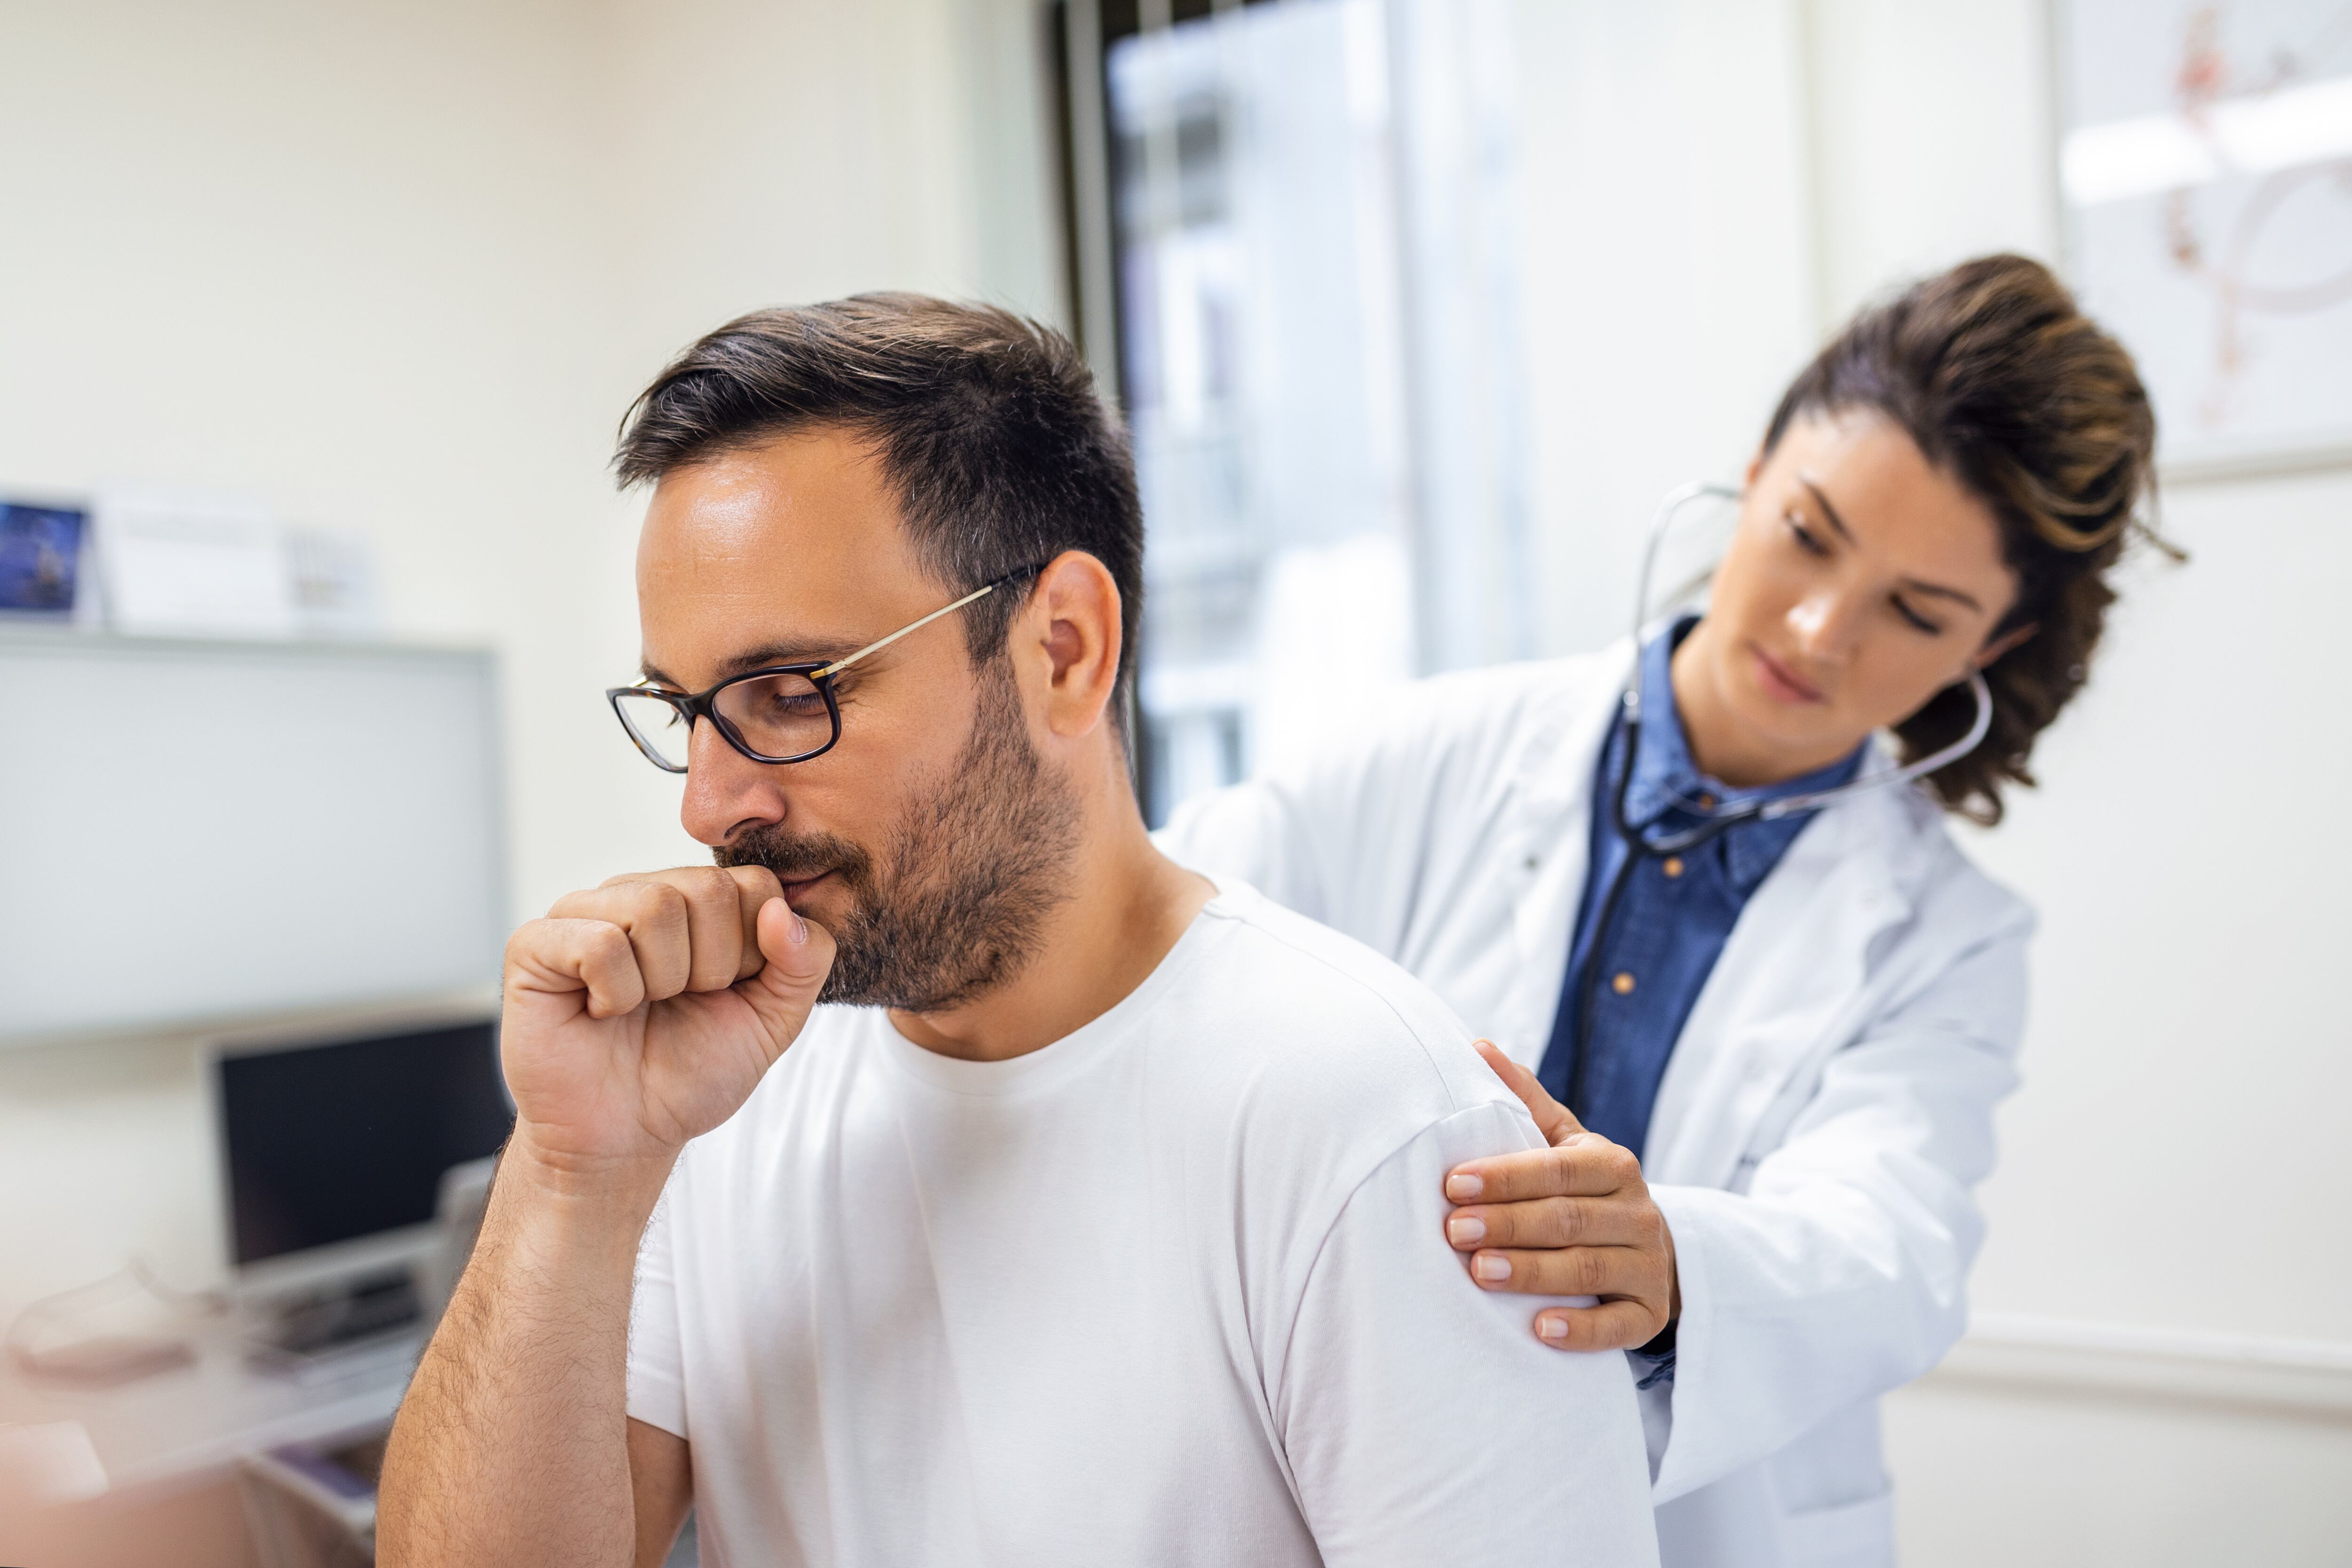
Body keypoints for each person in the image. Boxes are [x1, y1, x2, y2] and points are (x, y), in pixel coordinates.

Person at [375, 296, 1658, 1568]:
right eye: (689, 710)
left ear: (1062, 650)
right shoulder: (715, 1093)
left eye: (790, 694)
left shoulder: (1368, 1125)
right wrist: (572, 1172)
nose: (711, 803)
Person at [1158, 254, 2167, 1568]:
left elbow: (1892, 1242)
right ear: (1753, 478)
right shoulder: (1429, 752)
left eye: (1915, 612)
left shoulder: (1947, 939)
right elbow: (1160, 935)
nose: (1816, 630)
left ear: (1987, 650)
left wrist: (1674, 1260)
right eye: (1809, 533)